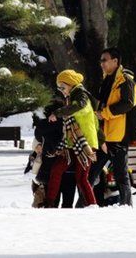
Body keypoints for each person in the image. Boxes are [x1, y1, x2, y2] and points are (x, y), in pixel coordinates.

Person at [92, 47, 136, 206]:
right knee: (91, 174)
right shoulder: (107, 80)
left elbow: (127, 104)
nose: (102, 63)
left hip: (119, 136)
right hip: (104, 136)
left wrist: (104, 113)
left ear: (115, 61)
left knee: (121, 175)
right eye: (101, 60)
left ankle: (126, 206)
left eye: (104, 60)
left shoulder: (126, 81)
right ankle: (85, 205)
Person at [46, 70, 101, 207]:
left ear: (71, 84)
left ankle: (92, 205)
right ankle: (49, 203)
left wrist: (58, 113)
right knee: (57, 169)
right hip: (71, 143)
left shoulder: (81, 96)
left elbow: (79, 107)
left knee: (81, 178)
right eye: (59, 88)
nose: (62, 91)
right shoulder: (72, 97)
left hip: (85, 144)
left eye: (63, 87)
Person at [29, 102, 77, 208]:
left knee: (52, 202)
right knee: (68, 203)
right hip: (69, 168)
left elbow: (37, 136)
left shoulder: (42, 126)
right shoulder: (69, 124)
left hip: (48, 169)